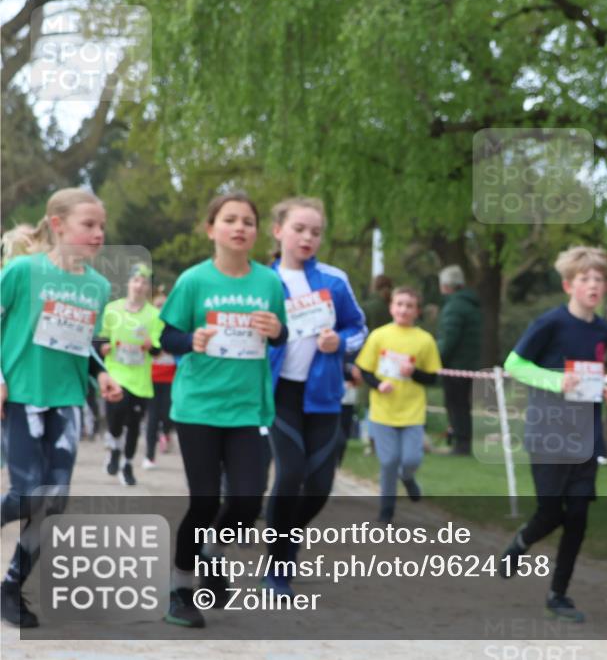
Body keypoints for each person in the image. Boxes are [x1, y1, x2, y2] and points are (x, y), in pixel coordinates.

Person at [158, 192, 288, 629]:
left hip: (247, 409)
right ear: (211, 229)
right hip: (197, 406)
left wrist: (278, 330)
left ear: (256, 232)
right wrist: (189, 340)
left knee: (248, 501)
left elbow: (280, 335)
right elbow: (167, 336)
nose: (239, 227)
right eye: (230, 219)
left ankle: (211, 553)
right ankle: (179, 589)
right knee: (204, 500)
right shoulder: (194, 281)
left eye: (248, 221)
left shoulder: (268, 283)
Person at [0, 189, 123, 628]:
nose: (98, 234)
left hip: (67, 402)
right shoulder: (20, 272)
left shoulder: (98, 286)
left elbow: (85, 345)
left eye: (101, 227)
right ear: (57, 224)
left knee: (53, 503)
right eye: (88, 225)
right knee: (28, 493)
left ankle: (12, 588)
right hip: (22, 398)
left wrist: (102, 375)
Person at [499, 246, 607, 624]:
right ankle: (522, 541)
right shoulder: (549, 323)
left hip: (586, 434)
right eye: (585, 279)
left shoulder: (604, 329)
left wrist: (605, 391)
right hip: (548, 432)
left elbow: (589, 377)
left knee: (579, 516)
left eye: (599, 279)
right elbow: (514, 364)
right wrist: (555, 380)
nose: (593, 285)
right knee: (551, 512)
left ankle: (558, 594)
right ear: (569, 285)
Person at [264, 196, 366, 595]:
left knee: (320, 486)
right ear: (278, 231)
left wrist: (337, 342)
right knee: (290, 474)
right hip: (279, 393)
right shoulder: (262, 281)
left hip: (323, 395)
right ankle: (277, 565)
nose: (307, 237)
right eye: (299, 229)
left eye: (315, 232)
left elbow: (360, 330)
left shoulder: (334, 281)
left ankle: (285, 537)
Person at [355, 286, 441, 524]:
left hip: (412, 412)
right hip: (383, 412)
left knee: (411, 459)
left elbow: (432, 376)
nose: (403, 309)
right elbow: (365, 369)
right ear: (392, 307)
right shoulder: (379, 336)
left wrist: (414, 373)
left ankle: (409, 478)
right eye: (399, 304)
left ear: (417, 311)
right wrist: (378, 385)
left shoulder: (425, 340)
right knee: (389, 461)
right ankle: (386, 511)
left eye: (409, 306)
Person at [99, 263, 163, 486]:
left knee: (134, 425)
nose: (139, 285)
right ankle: (114, 448)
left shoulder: (154, 315)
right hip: (115, 374)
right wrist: (103, 347)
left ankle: (127, 464)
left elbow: (158, 349)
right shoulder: (112, 309)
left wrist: (150, 346)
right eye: (136, 280)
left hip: (140, 380)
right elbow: (100, 336)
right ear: (128, 282)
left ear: (148, 287)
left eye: (144, 281)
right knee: (115, 419)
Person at [435, 265, 482, 456]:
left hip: (456, 365)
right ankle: (460, 440)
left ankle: (461, 444)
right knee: (462, 403)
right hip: (468, 363)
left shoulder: (454, 307)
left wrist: (435, 359)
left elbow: (449, 339)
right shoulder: (471, 305)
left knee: (456, 404)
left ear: (445, 286)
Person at [145, 286, 176, 466]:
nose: (161, 308)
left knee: (168, 415)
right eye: (158, 305)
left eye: (164, 305)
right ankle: (149, 456)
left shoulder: (173, 326)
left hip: (171, 378)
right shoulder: (148, 325)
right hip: (151, 378)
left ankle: (166, 433)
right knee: (153, 417)